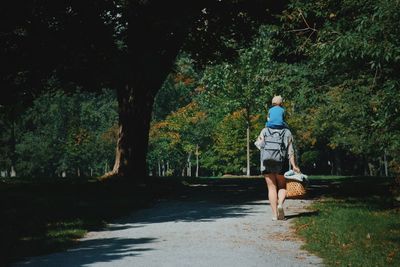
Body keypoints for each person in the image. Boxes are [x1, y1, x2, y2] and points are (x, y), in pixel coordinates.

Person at [257, 126, 300, 221]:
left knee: (271, 188)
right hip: (282, 164)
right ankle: (280, 204)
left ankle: (275, 215)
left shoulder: (264, 130)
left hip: (266, 164)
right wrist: (294, 165)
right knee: (282, 186)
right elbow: (290, 151)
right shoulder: (287, 132)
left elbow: (259, 145)